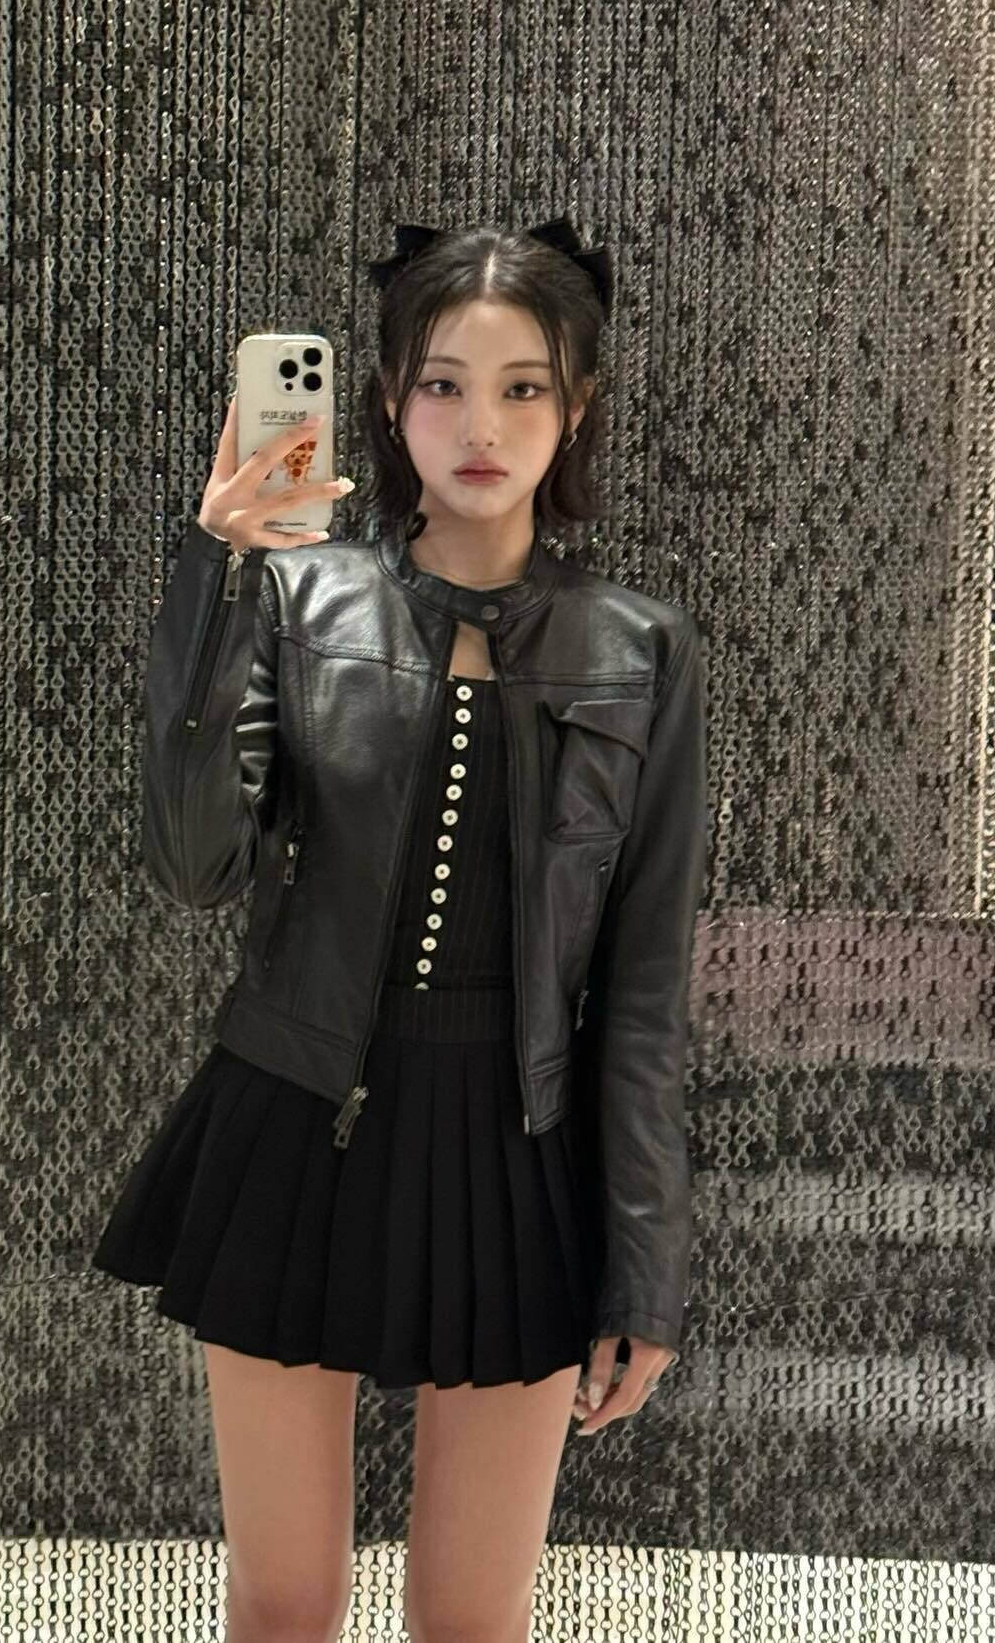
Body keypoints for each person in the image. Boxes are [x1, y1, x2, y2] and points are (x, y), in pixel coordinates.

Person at [92, 217, 709, 1643]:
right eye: (442, 384)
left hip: (518, 1156)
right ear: (385, 398)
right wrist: (216, 573)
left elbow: (644, 993)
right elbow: (193, 867)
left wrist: (647, 1265)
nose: (480, 427)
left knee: (473, 1623)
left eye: (522, 387)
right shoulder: (299, 596)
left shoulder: (642, 650)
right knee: (285, 1605)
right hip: (294, 1116)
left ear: (576, 406)